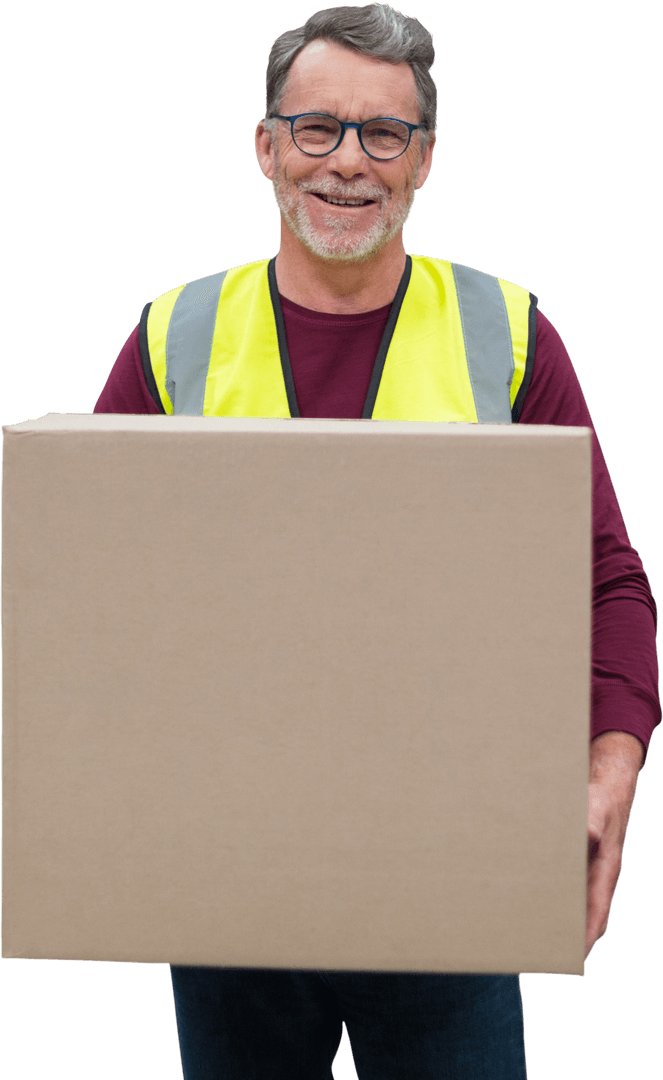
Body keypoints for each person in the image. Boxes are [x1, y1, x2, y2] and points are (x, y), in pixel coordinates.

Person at [94, 5, 661, 1078]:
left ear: (424, 161)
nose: (348, 161)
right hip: (231, 890)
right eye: (317, 128)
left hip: (448, 881)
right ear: (267, 147)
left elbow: (608, 579)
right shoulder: (177, 337)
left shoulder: (509, 333)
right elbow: (82, 589)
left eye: (383, 134)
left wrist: (609, 770)